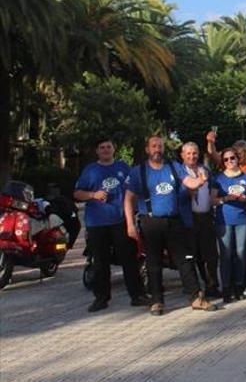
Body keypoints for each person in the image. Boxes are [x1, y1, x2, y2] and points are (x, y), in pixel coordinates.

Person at [124, 135, 216, 316]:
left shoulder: (173, 167)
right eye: (154, 146)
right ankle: (157, 301)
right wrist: (130, 224)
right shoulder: (139, 171)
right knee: (153, 262)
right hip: (151, 221)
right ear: (147, 149)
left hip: (174, 221)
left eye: (160, 146)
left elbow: (188, 182)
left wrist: (199, 181)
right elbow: (128, 199)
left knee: (185, 260)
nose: (157, 149)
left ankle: (196, 297)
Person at [74, 139, 148, 313]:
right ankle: (101, 298)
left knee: (130, 260)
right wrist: (93, 194)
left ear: (114, 149)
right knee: (100, 262)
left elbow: (134, 190)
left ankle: (137, 295)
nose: (106, 150)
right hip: (97, 223)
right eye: (102, 147)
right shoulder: (90, 170)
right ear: (97, 151)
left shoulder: (123, 167)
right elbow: (77, 193)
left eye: (108, 147)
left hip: (121, 221)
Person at [211, 147, 246, 303]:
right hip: (224, 220)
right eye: (226, 159)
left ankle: (240, 285)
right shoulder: (219, 179)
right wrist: (226, 198)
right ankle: (226, 288)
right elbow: (212, 200)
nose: (229, 161)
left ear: (238, 158)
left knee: (241, 253)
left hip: (243, 219)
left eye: (232, 158)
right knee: (226, 254)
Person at [180, 142, 220, 298]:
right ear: (182, 155)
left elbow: (215, 185)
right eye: (188, 153)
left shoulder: (206, 170)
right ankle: (192, 286)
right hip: (188, 219)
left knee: (210, 254)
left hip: (206, 217)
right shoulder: (179, 172)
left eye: (194, 153)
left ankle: (212, 285)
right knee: (191, 255)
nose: (192, 156)